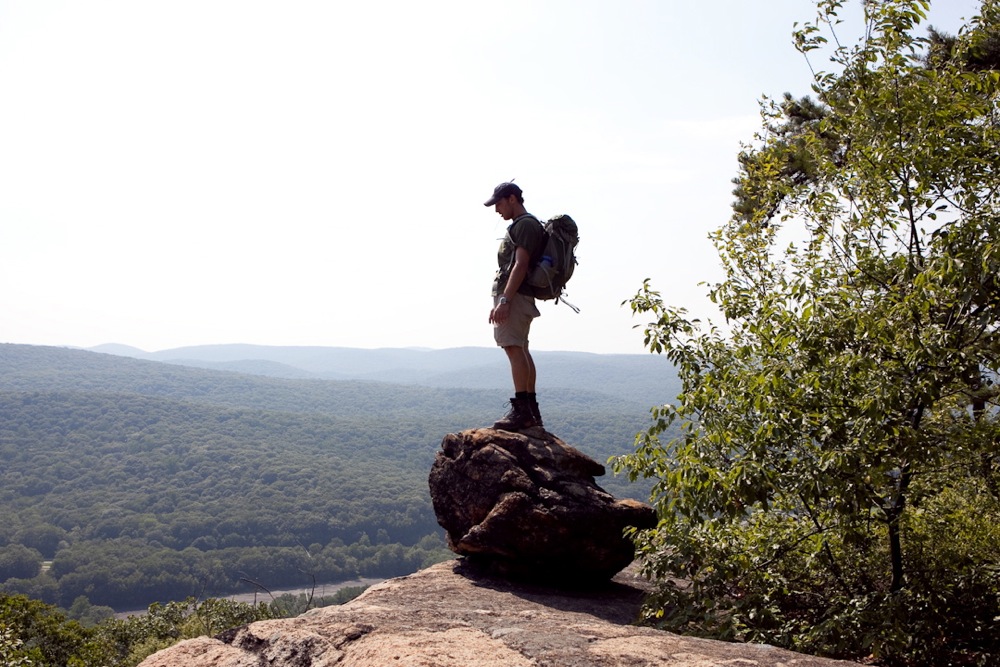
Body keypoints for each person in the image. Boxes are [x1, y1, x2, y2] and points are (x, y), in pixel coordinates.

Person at [484, 181, 546, 431]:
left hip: (516, 295)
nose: (497, 210)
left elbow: (520, 264)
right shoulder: (526, 224)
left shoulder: (525, 225)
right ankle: (530, 410)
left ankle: (523, 412)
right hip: (520, 295)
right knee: (520, 348)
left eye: (498, 203)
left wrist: (505, 300)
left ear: (512, 199)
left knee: (513, 348)